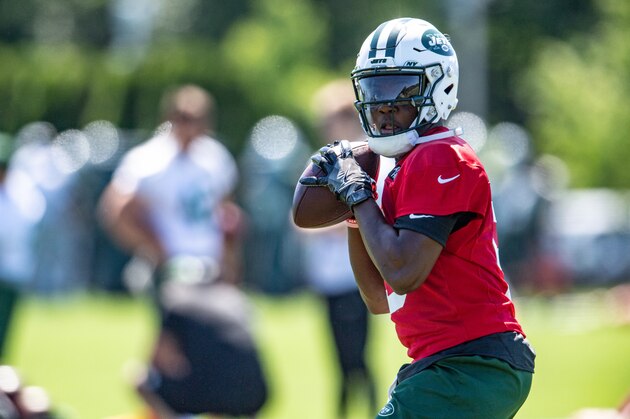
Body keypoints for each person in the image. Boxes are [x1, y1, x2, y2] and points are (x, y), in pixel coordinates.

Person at [300, 18, 535, 418]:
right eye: (374, 92)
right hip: (453, 362)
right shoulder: (403, 166)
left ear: (439, 86)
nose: (382, 107)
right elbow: (378, 297)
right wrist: (356, 212)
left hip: (471, 363)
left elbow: (404, 271)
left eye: (399, 91)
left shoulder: (440, 155)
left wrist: (358, 195)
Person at [98, 84, 267, 418]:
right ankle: (163, 407)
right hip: (172, 271)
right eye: (184, 118)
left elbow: (224, 216)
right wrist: (154, 246)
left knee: (211, 352)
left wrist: (230, 261)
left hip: (208, 269)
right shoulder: (149, 159)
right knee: (169, 356)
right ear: (170, 119)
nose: (191, 126)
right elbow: (116, 209)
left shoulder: (214, 158)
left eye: (198, 119)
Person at [298, 80, 381, 418]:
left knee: (358, 360)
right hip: (327, 279)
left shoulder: (366, 161)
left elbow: (370, 215)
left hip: (354, 278)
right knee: (340, 364)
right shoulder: (320, 163)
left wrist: (341, 222)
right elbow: (302, 223)